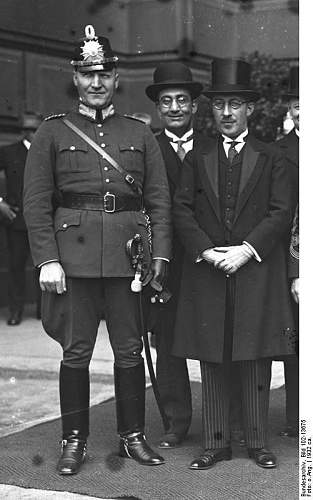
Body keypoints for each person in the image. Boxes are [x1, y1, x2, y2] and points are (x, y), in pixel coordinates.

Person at [23, 25, 171, 475]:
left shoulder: (139, 133)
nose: (97, 82)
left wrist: (159, 259)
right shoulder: (52, 133)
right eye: (88, 75)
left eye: (104, 73)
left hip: (129, 260)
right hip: (74, 260)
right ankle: (74, 440)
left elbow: (158, 201)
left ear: (116, 77)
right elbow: (35, 201)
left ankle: (132, 436)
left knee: (129, 351)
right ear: (75, 78)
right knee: (76, 353)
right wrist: (47, 259)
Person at [172, 58, 295, 470]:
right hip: (209, 270)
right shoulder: (197, 157)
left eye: (235, 105)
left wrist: (247, 249)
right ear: (211, 109)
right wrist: (206, 250)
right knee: (213, 354)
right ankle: (216, 442)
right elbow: (182, 210)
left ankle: (258, 442)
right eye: (220, 104)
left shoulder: (272, 155)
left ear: (250, 110)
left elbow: (281, 211)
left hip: (254, 269)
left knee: (254, 353)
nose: (226, 113)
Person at [145, 62, 203, 448]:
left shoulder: (215, 146)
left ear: (195, 106)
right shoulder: (147, 147)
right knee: (167, 343)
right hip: (166, 261)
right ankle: (175, 421)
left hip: (207, 259)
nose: (175, 107)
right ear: (158, 108)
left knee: (217, 339)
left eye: (183, 100)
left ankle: (225, 417)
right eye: (167, 101)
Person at [0, 112, 42, 325]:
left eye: (35, 129)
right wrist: (0, 203)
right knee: (16, 266)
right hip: (17, 219)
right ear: (22, 130)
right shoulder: (8, 151)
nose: (32, 133)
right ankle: (16, 310)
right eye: (28, 129)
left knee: (45, 265)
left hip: (44, 221)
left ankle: (44, 312)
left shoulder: (47, 151)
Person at [275, 66, 299, 437]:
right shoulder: (279, 152)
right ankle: (299, 419)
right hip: (298, 257)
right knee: (301, 343)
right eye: (298, 104)